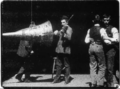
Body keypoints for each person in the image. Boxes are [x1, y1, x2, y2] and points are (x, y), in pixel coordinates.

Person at [85, 15, 108, 87]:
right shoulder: (102, 29)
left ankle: (93, 83)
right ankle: (100, 84)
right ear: (100, 21)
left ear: (93, 21)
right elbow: (106, 40)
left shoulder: (89, 29)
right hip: (99, 46)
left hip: (91, 47)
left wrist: (92, 40)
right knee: (101, 65)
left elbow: (86, 41)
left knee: (92, 65)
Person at [53, 15, 73, 84]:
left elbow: (69, 37)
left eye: (63, 22)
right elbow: (59, 34)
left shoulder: (69, 28)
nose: (62, 23)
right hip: (59, 49)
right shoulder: (62, 28)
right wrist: (56, 33)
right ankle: (57, 79)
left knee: (66, 64)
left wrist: (64, 33)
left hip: (65, 49)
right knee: (58, 64)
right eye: (61, 22)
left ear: (67, 22)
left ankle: (67, 79)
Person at [102, 14, 119, 87]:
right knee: (105, 67)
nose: (106, 22)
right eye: (105, 20)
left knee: (110, 67)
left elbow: (117, 39)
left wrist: (108, 38)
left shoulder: (113, 29)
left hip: (111, 50)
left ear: (110, 20)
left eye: (107, 20)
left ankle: (110, 84)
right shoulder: (101, 28)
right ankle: (108, 82)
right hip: (103, 50)